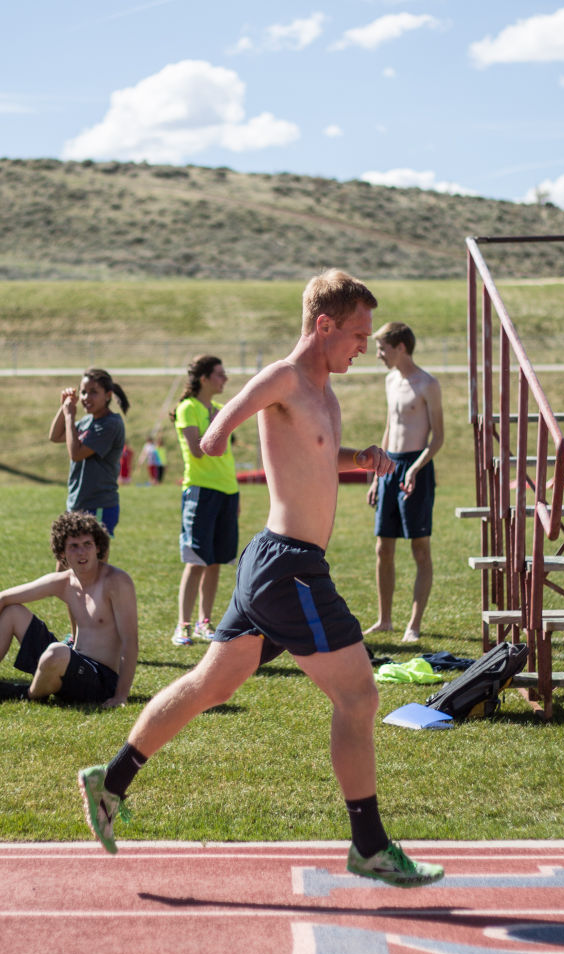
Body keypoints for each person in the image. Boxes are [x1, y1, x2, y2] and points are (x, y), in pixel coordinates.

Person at [77, 269, 445, 889]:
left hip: (275, 563)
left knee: (210, 684)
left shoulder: (323, 390)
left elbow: (314, 455)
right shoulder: (284, 376)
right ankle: (370, 845)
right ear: (323, 324)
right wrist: (217, 435)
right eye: (356, 334)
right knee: (358, 696)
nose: (363, 345)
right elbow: (223, 427)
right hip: (288, 568)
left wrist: (361, 458)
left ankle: (109, 781)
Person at [0, 512, 138, 708]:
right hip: (71, 661)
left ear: (98, 547)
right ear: (62, 554)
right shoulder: (64, 582)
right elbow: (2, 598)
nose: (82, 553)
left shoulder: (117, 582)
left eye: (88, 544)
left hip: (101, 680)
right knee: (11, 611)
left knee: (56, 652)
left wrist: (121, 696)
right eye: (74, 546)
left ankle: (28, 694)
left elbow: (130, 641)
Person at [363, 322, 443, 644]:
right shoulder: (389, 380)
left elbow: (438, 438)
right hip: (389, 466)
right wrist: (375, 476)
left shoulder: (427, 384)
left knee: (420, 549)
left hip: (416, 468)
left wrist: (415, 469)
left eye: (383, 348)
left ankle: (414, 623)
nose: (379, 354)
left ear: (401, 348)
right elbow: (389, 425)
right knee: (383, 546)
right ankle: (385, 621)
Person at [169, 355, 240, 647]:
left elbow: (225, 450)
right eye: (220, 375)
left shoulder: (221, 409)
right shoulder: (188, 408)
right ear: (204, 379)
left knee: (216, 561)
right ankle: (183, 625)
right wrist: (215, 424)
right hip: (200, 491)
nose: (225, 380)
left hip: (227, 490)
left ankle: (204, 622)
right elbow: (198, 451)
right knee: (197, 560)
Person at [49, 368, 128, 538]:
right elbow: (55, 436)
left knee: (92, 564)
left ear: (108, 395)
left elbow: (76, 454)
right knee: (64, 563)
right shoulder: (87, 421)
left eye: (93, 392)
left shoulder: (110, 424)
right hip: (76, 503)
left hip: (97, 506)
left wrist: (70, 416)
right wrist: (63, 408)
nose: (86, 398)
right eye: (83, 392)